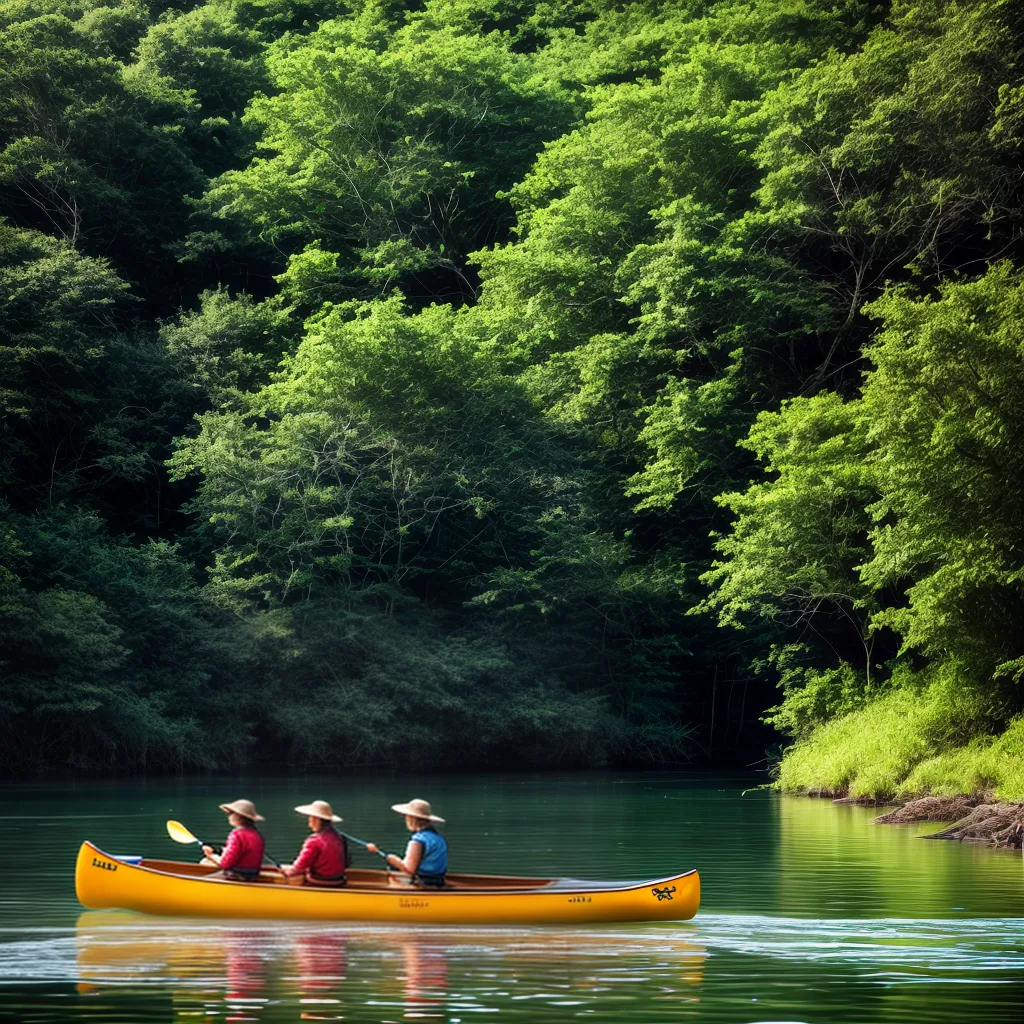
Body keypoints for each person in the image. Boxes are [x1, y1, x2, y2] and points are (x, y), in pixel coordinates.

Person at [366, 798, 447, 888]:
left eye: (407, 816)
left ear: (412, 818)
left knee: (393, 867)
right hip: (439, 881)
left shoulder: (418, 840)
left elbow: (409, 869)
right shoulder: (437, 837)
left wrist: (391, 859)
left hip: (424, 883)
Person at [281, 800, 348, 886]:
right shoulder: (339, 837)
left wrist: (287, 871)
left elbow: (299, 867)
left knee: (293, 879)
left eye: (310, 818)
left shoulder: (314, 841)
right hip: (339, 880)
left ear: (317, 820)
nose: (309, 823)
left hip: (320, 882)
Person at [202, 799, 266, 881]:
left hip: (235, 877)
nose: (228, 816)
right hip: (252, 877)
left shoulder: (236, 835)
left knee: (197, 883)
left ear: (238, 816)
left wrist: (210, 856)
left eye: (230, 813)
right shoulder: (256, 835)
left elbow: (225, 864)